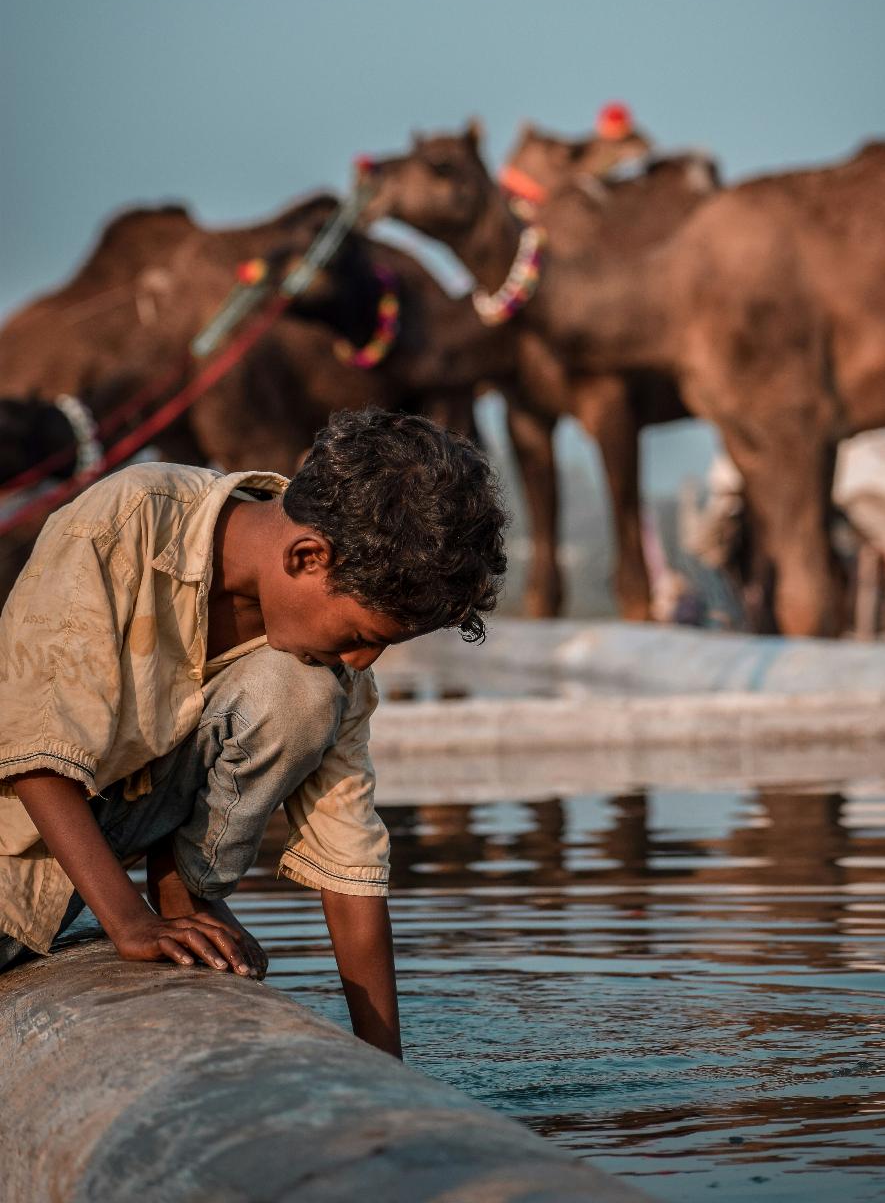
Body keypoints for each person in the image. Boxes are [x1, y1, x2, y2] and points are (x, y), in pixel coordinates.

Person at [0, 408, 507, 1058]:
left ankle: (186, 889)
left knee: (304, 690)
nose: (361, 662)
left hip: (83, 864)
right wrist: (128, 923)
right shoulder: (126, 523)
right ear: (307, 557)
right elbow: (34, 752)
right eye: (362, 636)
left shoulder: (328, 661)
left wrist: (387, 1064)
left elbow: (349, 859)